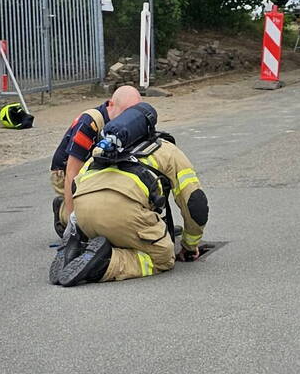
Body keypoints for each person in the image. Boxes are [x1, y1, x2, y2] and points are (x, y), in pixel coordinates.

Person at [50, 115, 208, 287]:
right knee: (162, 256)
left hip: (83, 213)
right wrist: (190, 246)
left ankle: (78, 246)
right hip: (123, 214)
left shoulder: (103, 148)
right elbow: (195, 203)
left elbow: (76, 184)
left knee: (111, 225)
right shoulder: (166, 149)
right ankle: (105, 263)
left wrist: (76, 222)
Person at [49, 85, 142, 235]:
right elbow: (71, 172)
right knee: (89, 215)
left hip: (97, 166)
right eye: (125, 113)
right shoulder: (90, 124)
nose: (128, 119)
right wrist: (74, 222)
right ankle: (62, 211)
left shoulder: (127, 123)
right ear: (111, 104)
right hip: (67, 173)